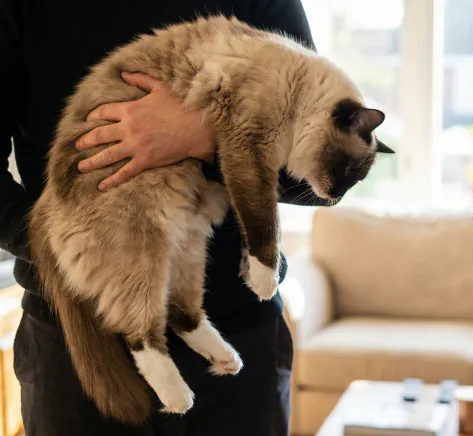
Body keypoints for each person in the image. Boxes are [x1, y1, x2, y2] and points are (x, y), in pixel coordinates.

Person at [0, 1, 335, 435]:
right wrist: (64, 246)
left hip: (235, 334)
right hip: (72, 334)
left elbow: (322, 180)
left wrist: (202, 138)